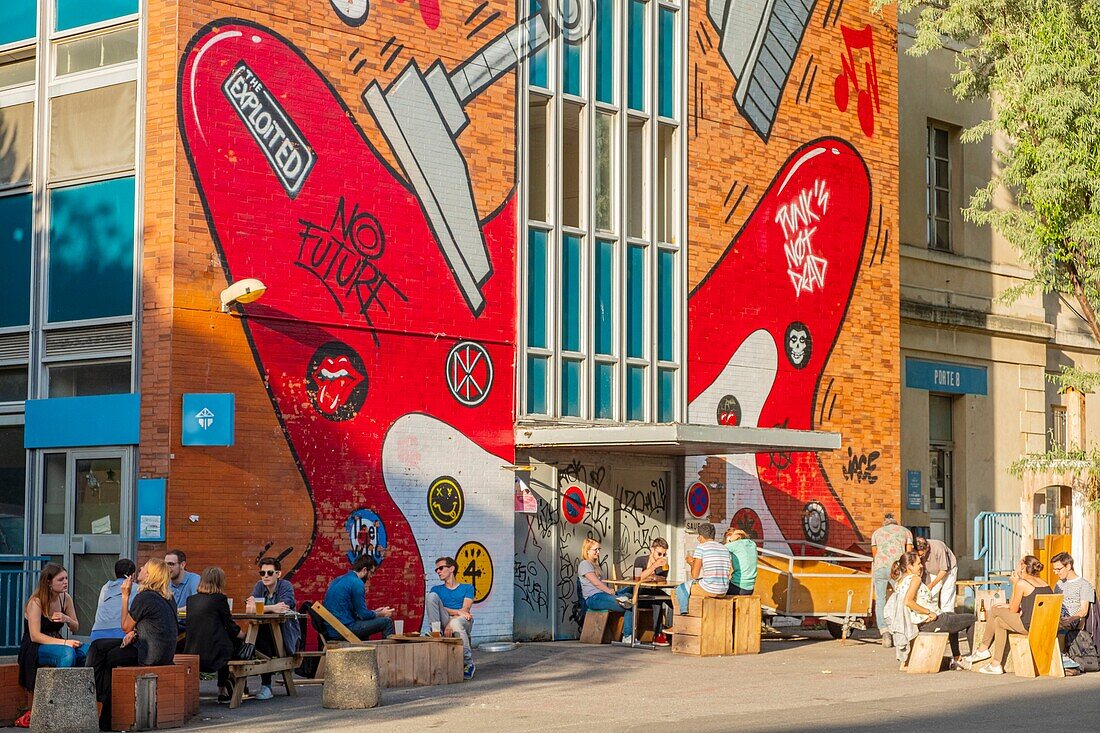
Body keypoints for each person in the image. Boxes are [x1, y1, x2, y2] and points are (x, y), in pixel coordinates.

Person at [88, 558, 179, 730]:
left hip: (149, 653)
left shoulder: (144, 597)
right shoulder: (168, 597)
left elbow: (124, 626)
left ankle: (96, 696)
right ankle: (101, 703)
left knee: (108, 657)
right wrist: (135, 633)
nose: (140, 570)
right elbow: (156, 624)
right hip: (161, 652)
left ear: (150, 574)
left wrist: (125, 596)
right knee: (98, 646)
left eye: (144, 568)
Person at [15, 563, 84, 728]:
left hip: (57, 642)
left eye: (66, 578)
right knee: (67, 654)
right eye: (61, 579)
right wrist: (65, 642)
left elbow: (75, 627)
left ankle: (76, 696)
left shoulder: (65, 598)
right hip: (35, 647)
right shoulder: (36, 602)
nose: (65, 582)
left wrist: (67, 619)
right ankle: (54, 702)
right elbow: (35, 635)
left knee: (88, 651)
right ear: (48, 582)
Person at [960, 555, 1054, 674]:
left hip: (1029, 626)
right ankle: (996, 664)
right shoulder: (1044, 582)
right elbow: (1029, 603)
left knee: (994, 610)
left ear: (1022, 567)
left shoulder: (1022, 584)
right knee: (999, 622)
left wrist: (1015, 584)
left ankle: (982, 649)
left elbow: (1013, 610)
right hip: (1043, 625)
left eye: (1018, 563)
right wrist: (1007, 605)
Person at [893, 550, 975, 668]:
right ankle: (975, 656)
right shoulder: (914, 579)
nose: (921, 566)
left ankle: (957, 657)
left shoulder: (899, 582)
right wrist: (928, 612)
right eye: (918, 564)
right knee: (971, 619)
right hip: (931, 621)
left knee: (952, 615)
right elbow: (908, 601)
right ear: (909, 566)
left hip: (925, 621)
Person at [183, 567, 245, 703]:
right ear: (220, 582)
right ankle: (224, 687)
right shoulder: (220, 599)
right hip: (215, 653)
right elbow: (230, 626)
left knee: (224, 643)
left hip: (193, 650)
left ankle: (225, 686)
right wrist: (243, 635)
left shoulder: (191, 600)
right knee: (235, 645)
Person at [248, 556, 300, 700]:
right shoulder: (259, 586)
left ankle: (266, 686)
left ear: (278, 574)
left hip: (285, 634)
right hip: (265, 634)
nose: (265, 576)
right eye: (262, 573)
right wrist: (272, 607)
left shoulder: (285, 586)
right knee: (254, 636)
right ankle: (248, 684)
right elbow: (248, 609)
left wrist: (261, 608)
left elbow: (284, 607)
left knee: (260, 636)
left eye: (269, 573)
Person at [321, 555, 395, 640]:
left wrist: (375, 612)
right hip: (343, 630)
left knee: (365, 628)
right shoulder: (357, 583)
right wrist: (382, 614)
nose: (371, 577)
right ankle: (388, 653)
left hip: (332, 629)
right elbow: (363, 615)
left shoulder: (338, 579)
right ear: (364, 570)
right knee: (387, 622)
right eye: (371, 572)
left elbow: (358, 613)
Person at [425, 556, 476, 680]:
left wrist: (451, 621)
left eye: (441, 568)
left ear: (452, 568)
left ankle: (468, 663)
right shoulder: (436, 590)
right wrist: (455, 613)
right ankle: (436, 632)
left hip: (463, 621)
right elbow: (444, 609)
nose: (438, 571)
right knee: (431, 597)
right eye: (436, 569)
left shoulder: (467, 587)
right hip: (447, 619)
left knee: (456, 623)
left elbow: (466, 610)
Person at [870, 513, 913, 647]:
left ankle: (885, 633)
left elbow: (875, 553)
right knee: (902, 597)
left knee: (881, 599)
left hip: (880, 567)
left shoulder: (876, 533)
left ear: (884, 522)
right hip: (897, 568)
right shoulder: (906, 532)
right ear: (896, 522)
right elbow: (908, 554)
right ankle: (903, 630)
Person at [620, 538, 672, 646]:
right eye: (659, 553)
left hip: (652, 595)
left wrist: (653, 574)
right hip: (637, 594)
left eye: (664, 554)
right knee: (662, 597)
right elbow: (637, 579)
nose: (662, 557)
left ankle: (657, 635)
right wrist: (654, 567)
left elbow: (660, 581)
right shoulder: (640, 560)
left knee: (657, 600)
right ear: (651, 550)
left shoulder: (663, 564)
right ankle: (673, 604)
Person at [675, 523, 732, 615]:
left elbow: (694, 575)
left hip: (710, 589)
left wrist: (691, 563)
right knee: (696, 583)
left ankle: (683, 616)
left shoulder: (702, 547)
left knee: (680, 589)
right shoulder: (724, 548)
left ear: (700, 537)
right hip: (723, 590)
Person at [577, 537, 633, 628]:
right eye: (595, 550)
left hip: (603, 594)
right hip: (594, 598)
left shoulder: (596, 565)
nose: (598, 552)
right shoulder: (584, 564)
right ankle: (628, 635)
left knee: (632, 590)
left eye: (599, 549)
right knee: (628, 604)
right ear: (587, 551)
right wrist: (609, 590)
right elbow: (596, 583)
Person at [90, 558, 137, 641]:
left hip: (97, 633)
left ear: (115, 574)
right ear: (133, 575)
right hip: (120, 634)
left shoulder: (105, 587)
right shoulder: (137, 588)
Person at [1051, 551, 1095, 633]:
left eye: (1058, 569)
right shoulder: (1059, 584)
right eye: (1054, 570)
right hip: (1057, 620)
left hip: (1073, 624)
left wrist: (1069, 619)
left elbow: (1083, 611)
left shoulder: (1084, 585)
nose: (1056, 572)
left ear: (1068, 566)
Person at [914, 537, 957, 612]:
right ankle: (934, 617)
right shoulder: (917, 551)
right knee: (931, 595)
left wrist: (932, 584)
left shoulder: (938, 547)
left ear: (927, 547)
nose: (921, 557)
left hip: (948, 571)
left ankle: (948, 617)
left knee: (946, 596)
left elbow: (944, 570)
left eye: (923, 554)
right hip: (931, 571)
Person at [725, 528, 758, 596]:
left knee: (716, 589)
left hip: (738, 587)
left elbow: (719, 550)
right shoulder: (752, 544)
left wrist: (729, 541)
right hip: (750, 588)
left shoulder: (735, 544)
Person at [166, 549, 200, 614]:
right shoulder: (164, 582)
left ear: (182, 565)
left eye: (171, 564)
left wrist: (174, 612)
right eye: (165, 564)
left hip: (188, 623)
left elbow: (198, 605)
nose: (167, 568)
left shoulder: (194, 580)